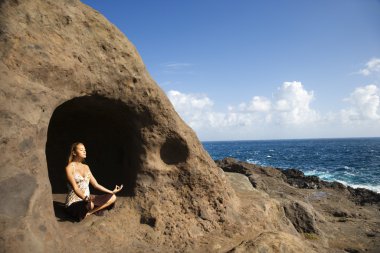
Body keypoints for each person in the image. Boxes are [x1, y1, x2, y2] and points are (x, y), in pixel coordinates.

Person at [64, 142, 123, 221]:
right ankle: (88, 207)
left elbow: (96, 185)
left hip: (88, 199)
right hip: (75, 202)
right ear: (74, 152)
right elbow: (76, 188)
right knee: (88, 204)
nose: (84, 151)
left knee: (113, 197)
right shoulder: (69, 168)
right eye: (81, 150)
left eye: (85, 150)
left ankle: (90, 212)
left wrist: (112, 192)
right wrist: (86, 199)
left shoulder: (86, 167)